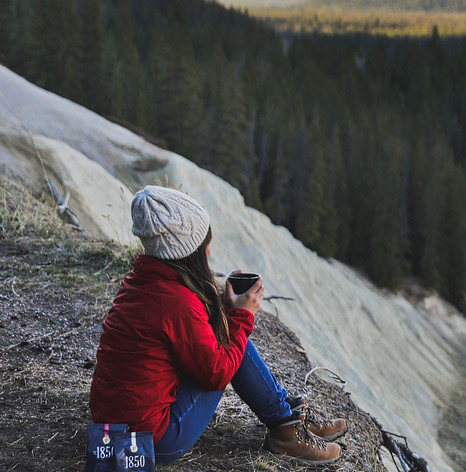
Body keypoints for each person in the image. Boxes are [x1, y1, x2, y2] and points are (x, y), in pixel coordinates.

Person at [89, 185, 346, 465]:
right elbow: (218, 374)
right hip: (150, 442)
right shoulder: (175, 302)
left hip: (113, 428)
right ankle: (285, 429)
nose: (210, 250)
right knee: (234, 346)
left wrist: (223, 308)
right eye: (205, 242)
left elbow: (184, 333)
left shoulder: (144, 283)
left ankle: (286, 418)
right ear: (190, 252)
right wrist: (242, 316)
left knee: (228, 339)